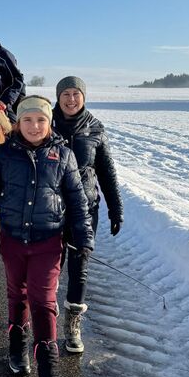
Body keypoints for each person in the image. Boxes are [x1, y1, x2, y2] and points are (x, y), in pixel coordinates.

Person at [0, 95, 94, 377]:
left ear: (49, 123)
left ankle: (49, 373)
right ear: (17, 123)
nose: (34, 126)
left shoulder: (63, 156)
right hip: (12, 241)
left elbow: (77, 201)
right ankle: (17, 349)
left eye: (41, 120)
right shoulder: (2, 155)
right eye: (27, 120)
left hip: (48, 242)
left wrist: (83, 237)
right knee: (17, 294)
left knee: (44, 300)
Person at [52, 76, 124, 354]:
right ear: (58, 97)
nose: (71, 99)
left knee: (79, 265)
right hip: (51, 208)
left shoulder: (95, 127)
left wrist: (115, 208)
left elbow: (106, 171)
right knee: (51, 264)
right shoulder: (46, 124)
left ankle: (73, 325)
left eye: (76, 94)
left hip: (85, 208)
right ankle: (48, 312)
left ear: (83, 96)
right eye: (66, 94)